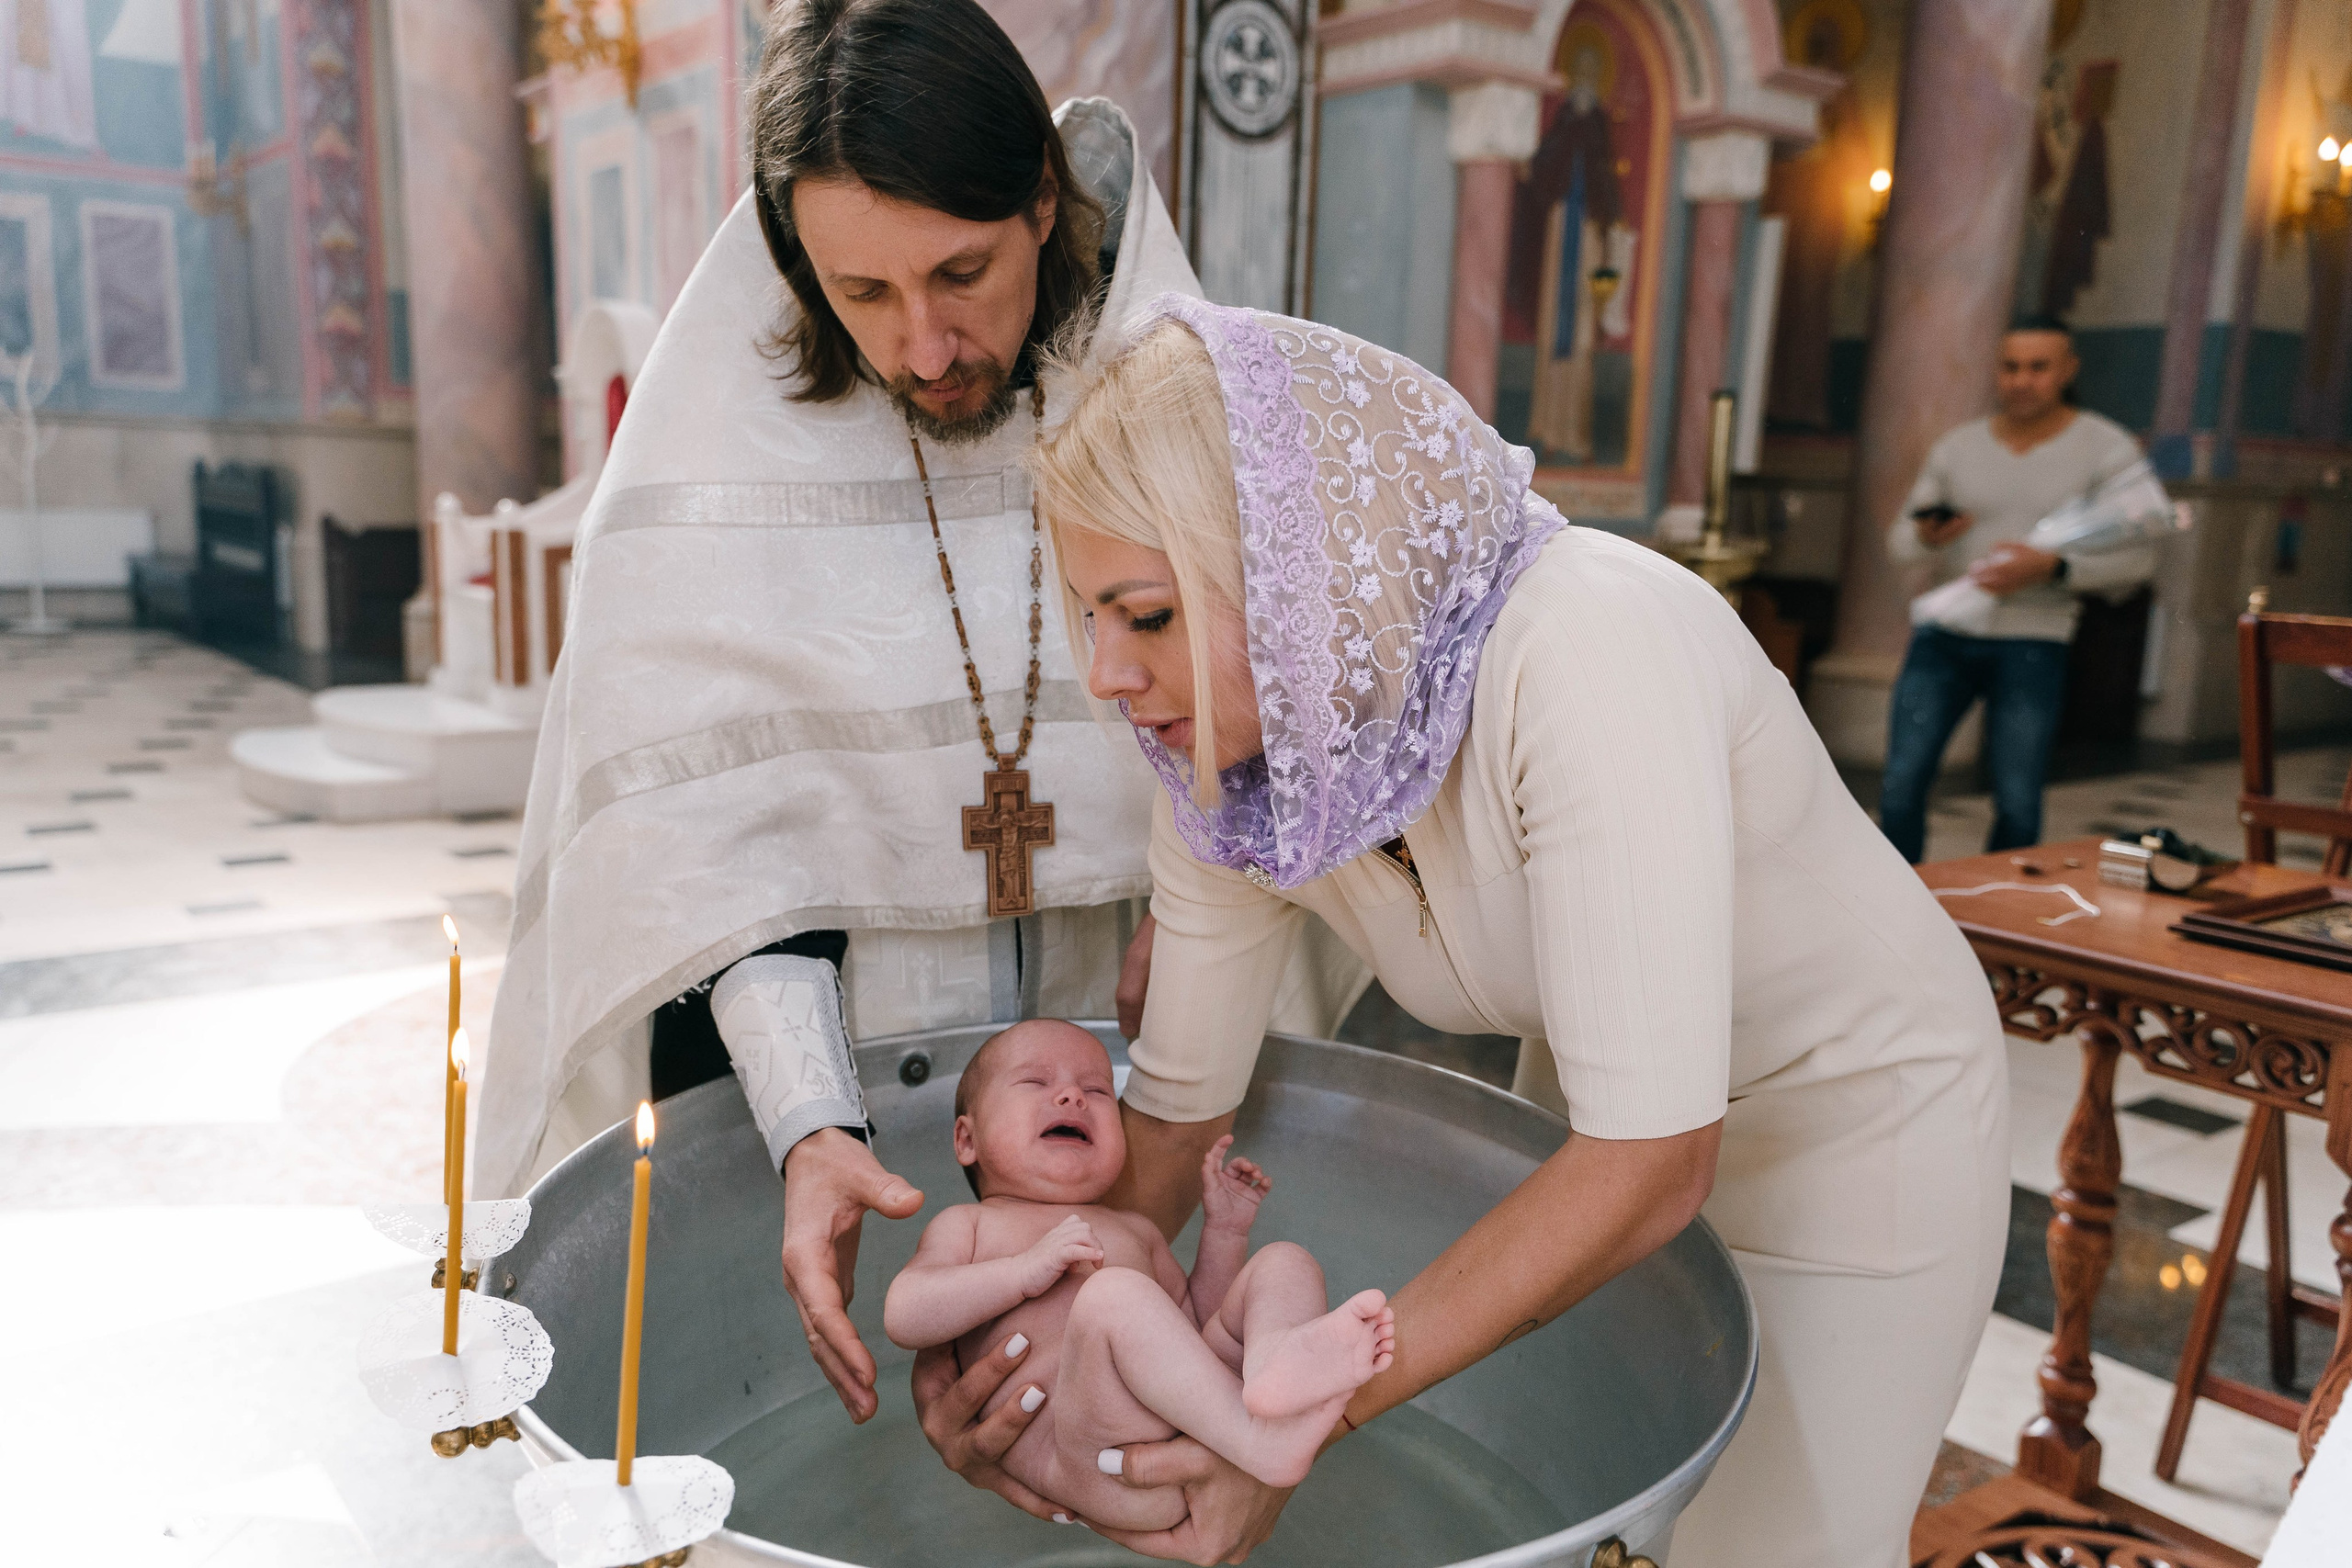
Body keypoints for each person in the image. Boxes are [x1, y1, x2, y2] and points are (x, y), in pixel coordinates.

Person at [907, 300, 2009, 1567]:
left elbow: (1653, 1164)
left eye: (1145, 614)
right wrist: (1021, 1357)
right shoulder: (1240, 766)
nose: (1105, 670)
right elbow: (1173, 1122)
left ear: (1293, 572)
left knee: (1769, 1548)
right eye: (1089, 613)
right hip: (1601, 1125)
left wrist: (1296, 1417)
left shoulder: (1585, 648)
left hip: (1852, 1125)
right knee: (1604, 1522)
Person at [474, 0, 1363, 1425]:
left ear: (1044, 211)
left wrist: (1214, 893)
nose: (926, 342)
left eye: (964, 271)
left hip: (1130, 1017)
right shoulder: (724, 438)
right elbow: (710, 842)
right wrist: (812, 1122)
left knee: (1149, 1385)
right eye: (862, 293)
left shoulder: (1169, 383)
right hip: (843, 1029)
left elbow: (1301, 701)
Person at [882, 1019, 1394, 1530]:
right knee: (1113, 1295)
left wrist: (1226, 1233)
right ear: (967, 1139)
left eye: (1098, 1090)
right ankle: (1259, 1439)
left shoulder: (1135, 1230)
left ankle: (1273, 1376)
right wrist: (1020, 1272)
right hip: (1100, 1466)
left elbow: (1197, 1327)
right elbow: (905, 1314)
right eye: (1036, 1083)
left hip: (1193, 1431)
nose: (1072, 1098)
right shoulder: (969, 1226)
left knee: (1285, 1260)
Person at [1877, 315, 2153, 863]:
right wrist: (1927, 536)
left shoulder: (2106, 448)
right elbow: (1899, 545)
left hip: (2035, 638)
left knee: (2019, 798)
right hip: (1945, 635)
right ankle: (1896, 901)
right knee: (1901, 783)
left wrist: (2054, 569)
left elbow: (2140, 560)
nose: (2021, 380)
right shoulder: (1958, 446)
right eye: (2009, 367)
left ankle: (2000, 915)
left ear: (2068, 370)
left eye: (2038, 367)